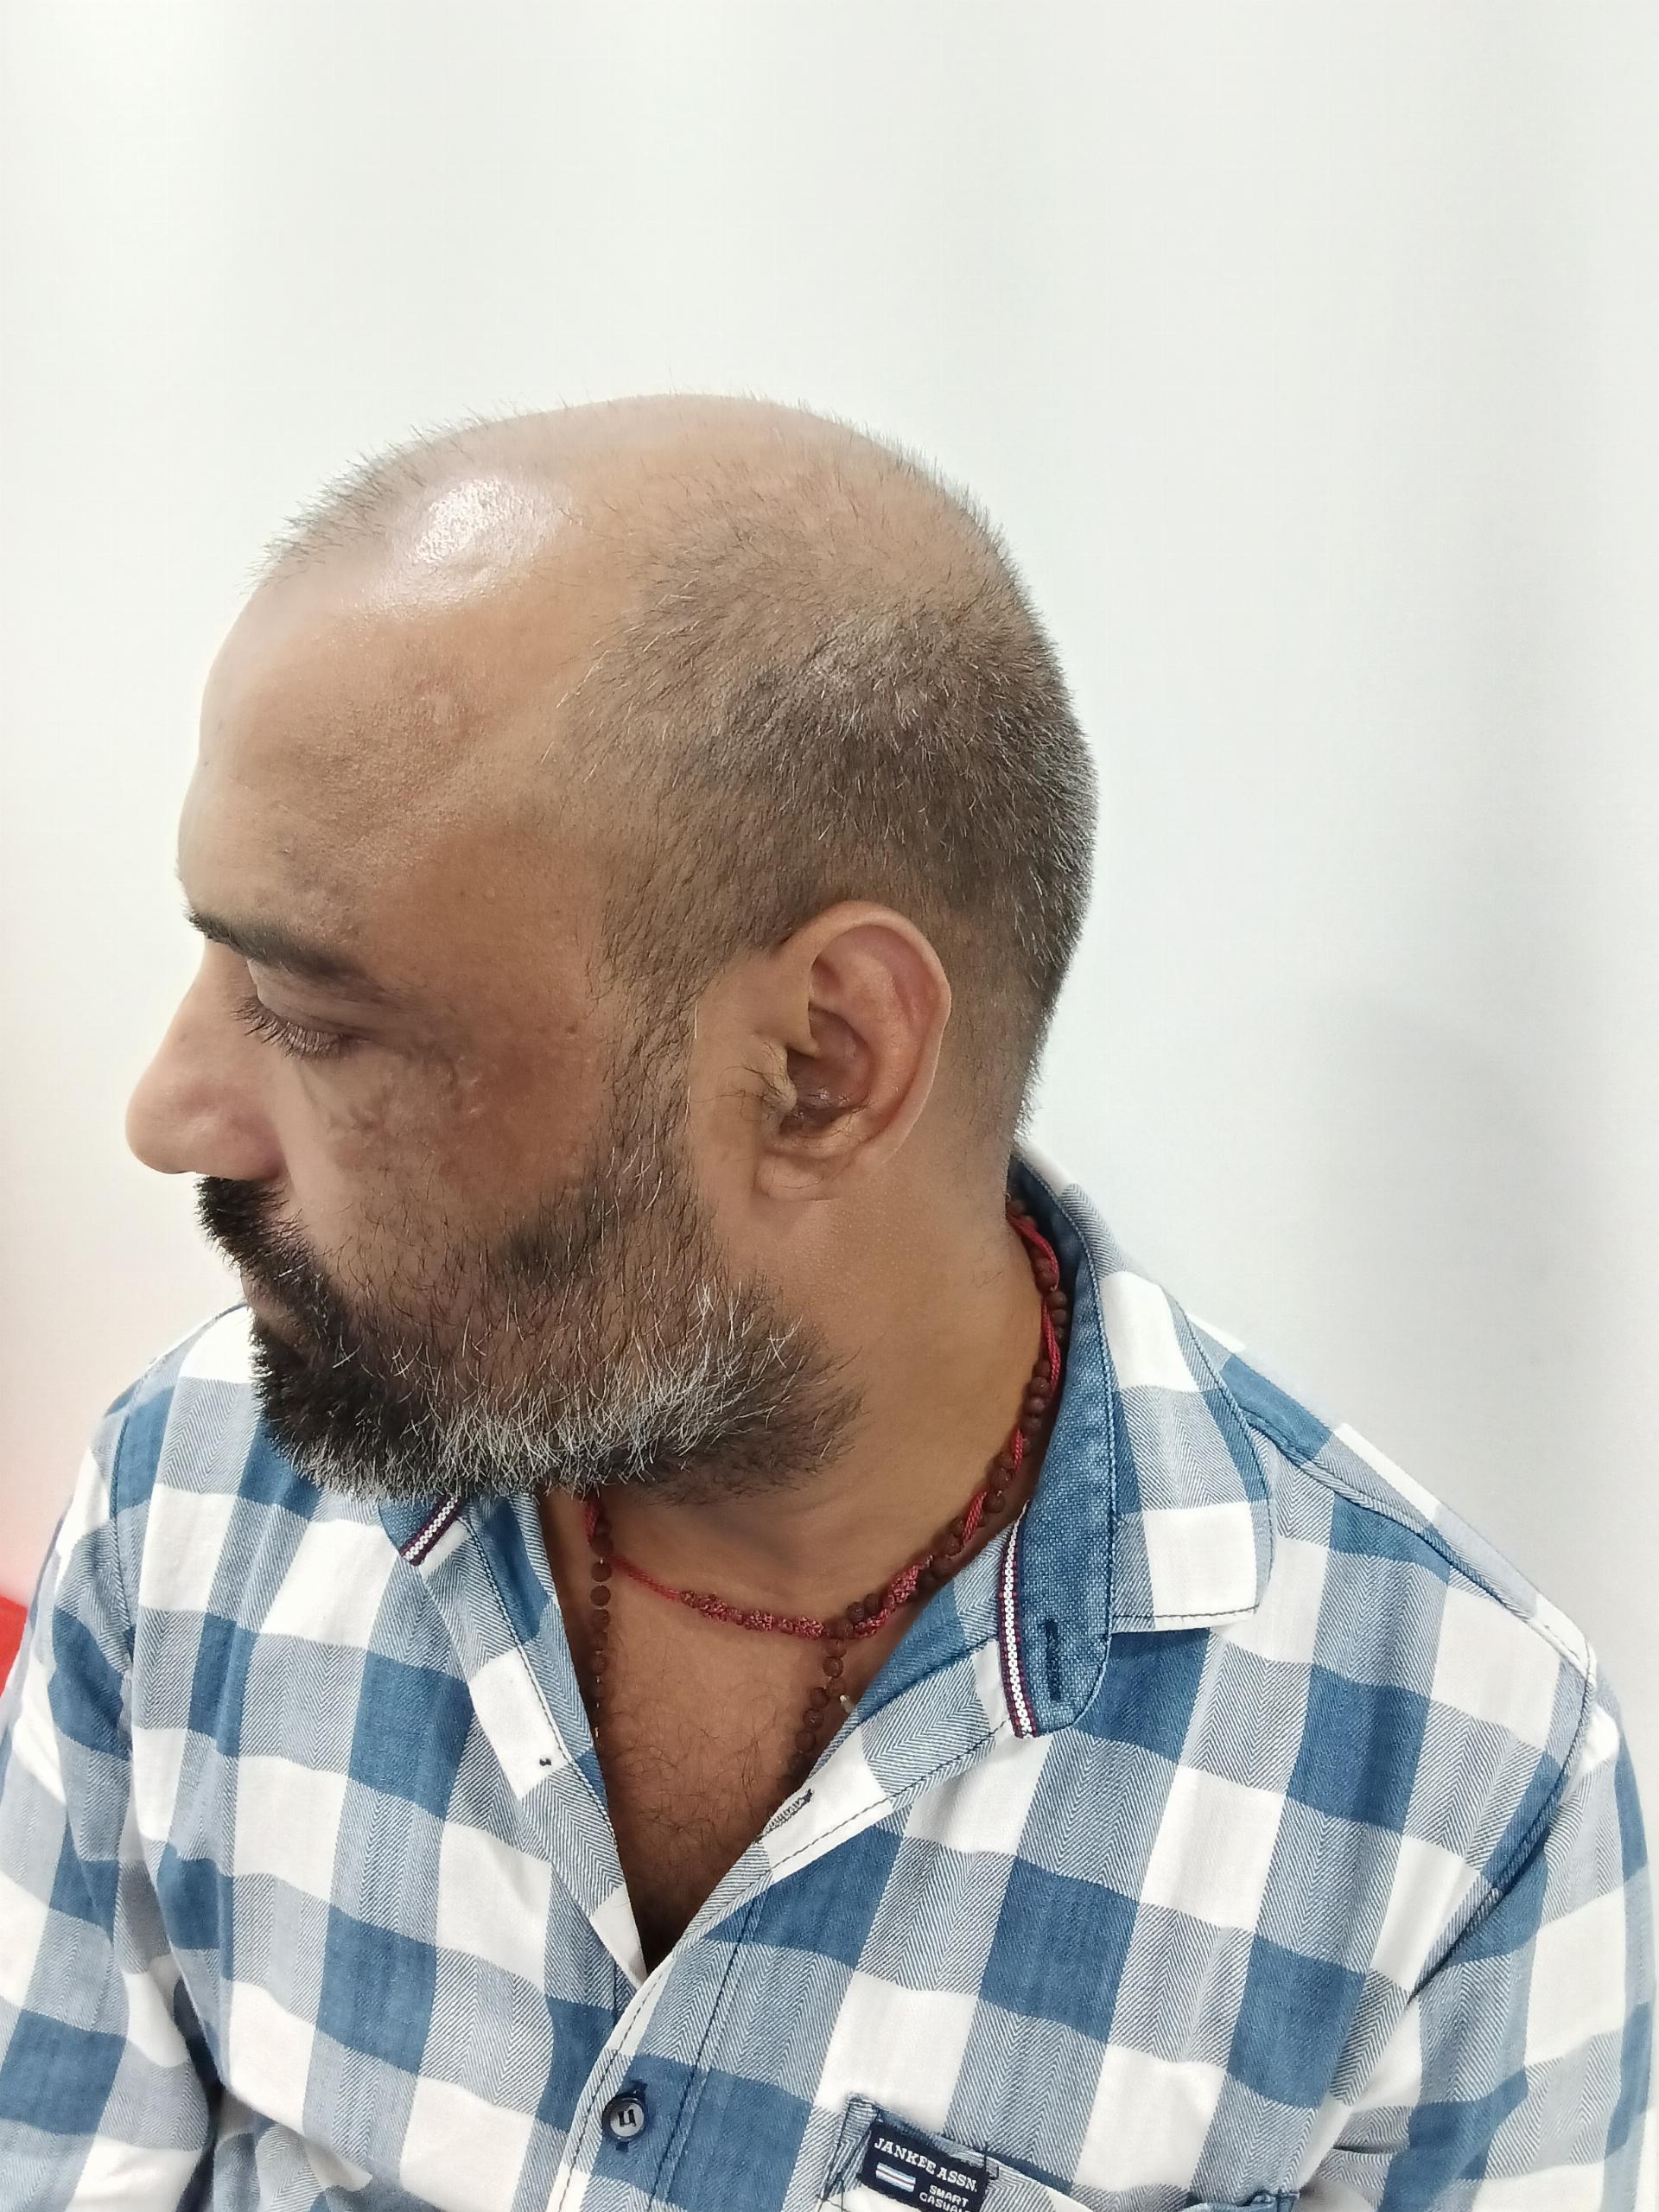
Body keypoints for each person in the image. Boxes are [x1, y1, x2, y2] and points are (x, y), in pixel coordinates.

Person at [0, 395, 1649, 2211]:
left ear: (821, 1067)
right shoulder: (187, 1508)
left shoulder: (1450, 1791)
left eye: (317, 1017)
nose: (170, 1113)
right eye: (214, 958)